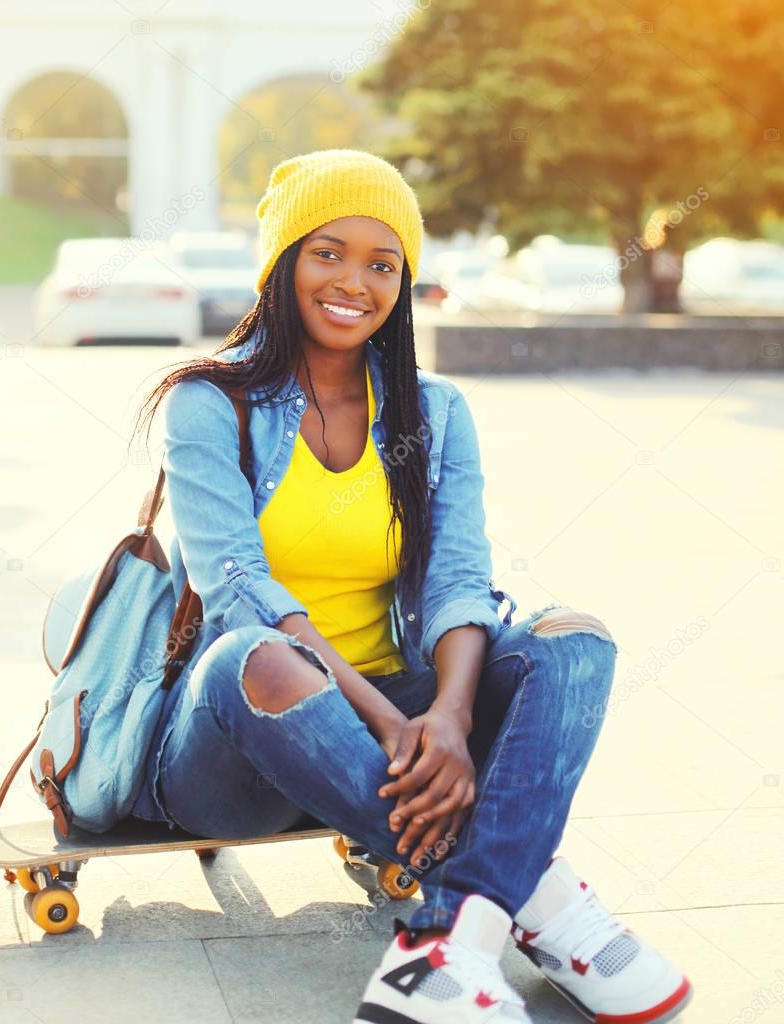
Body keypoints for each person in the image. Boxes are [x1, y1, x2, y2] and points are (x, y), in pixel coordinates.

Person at [131, 150, 692, 1024]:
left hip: (402, 723)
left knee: (572, 636)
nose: (354, 280)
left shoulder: (433, 413)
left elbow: (459, 576)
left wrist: (451, 716)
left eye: (382, 263)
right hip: (238, 743)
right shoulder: (211, 402)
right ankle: (539, 900)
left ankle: (448, 940)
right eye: (328, 252)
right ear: (281, 262)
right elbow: (235, 583)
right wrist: (395, 723)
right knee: (259, 652)